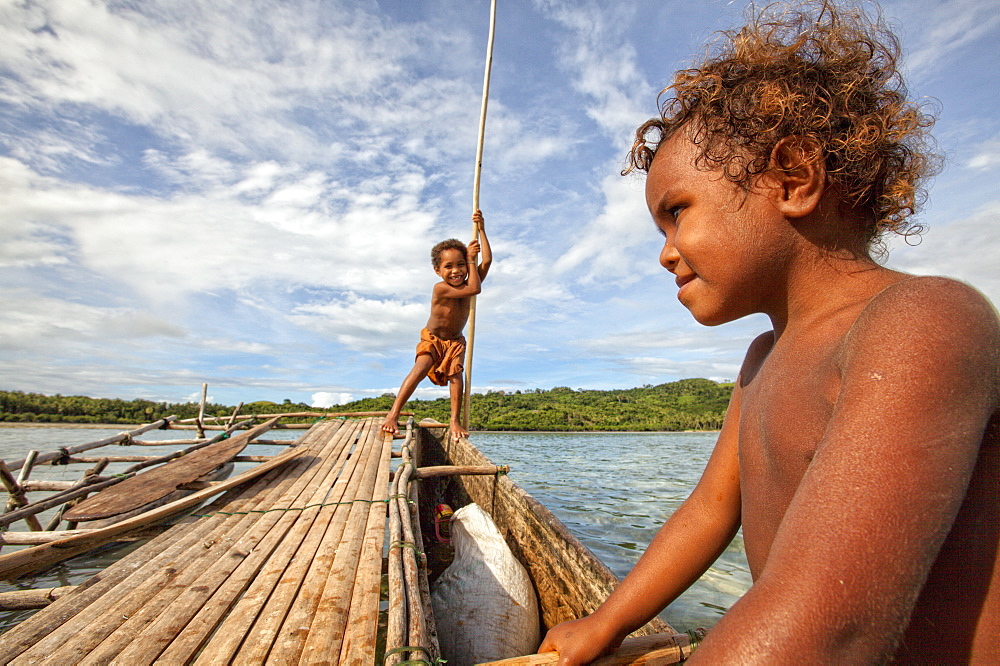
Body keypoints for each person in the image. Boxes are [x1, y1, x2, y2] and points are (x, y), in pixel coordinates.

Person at [539, 1, 999, 663]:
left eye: (677, 212)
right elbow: (707, 514)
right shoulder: (762, 360)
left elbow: (830, 626)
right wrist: (606, 622)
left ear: (795, 178)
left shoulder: (922, 321)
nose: (665, 251)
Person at [381, 210, 492, 440]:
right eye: (449, 266)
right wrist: (471, 260)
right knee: (420, 368)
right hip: (433, 338)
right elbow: (475, 289)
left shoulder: (472, 279)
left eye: (461, 264)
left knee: (456, 376)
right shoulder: (440, 287)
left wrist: (481, 229)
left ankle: (454, 421)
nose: (456, 270)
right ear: (438, 270)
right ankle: (393, 414)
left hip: (455, 341)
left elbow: (488, 260)